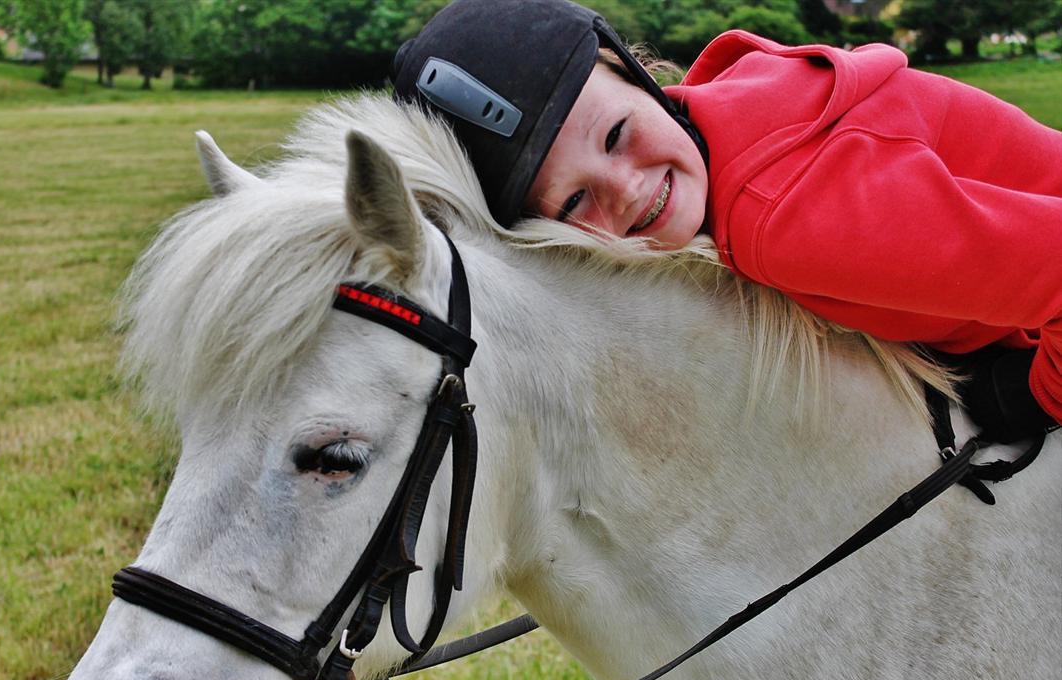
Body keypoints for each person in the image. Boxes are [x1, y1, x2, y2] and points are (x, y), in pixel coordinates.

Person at [392, 0, 1062, 444]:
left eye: (618, 134)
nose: (626, 191)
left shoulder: (789, 221)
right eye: (574, 205)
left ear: (636, 74)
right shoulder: (729, 112)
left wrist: (1033, 396)